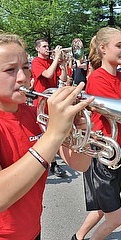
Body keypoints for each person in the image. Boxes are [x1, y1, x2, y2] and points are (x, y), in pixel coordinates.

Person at [0, 32, 94, 239]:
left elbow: (81, 165)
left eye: (25, 68)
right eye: (10, 70)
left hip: (33, 231)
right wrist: (54, 133)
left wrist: (79, 132)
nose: (22, 77)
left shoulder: (36, 114)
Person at [72, 26, 121, 240]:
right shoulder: (97, 79)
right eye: (119, 46)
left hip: (119, 150)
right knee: (115, 219)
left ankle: (77, 238)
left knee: (101, 209)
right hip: (102, 152)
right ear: (103, 49)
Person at [31, 38, 68, 177]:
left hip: (52, 101)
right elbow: (47, 74)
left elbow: (63, 79)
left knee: (52, 133)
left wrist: (63, 65)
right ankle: (50, 163)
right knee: (44, 134)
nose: (48, 48)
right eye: (44, 46)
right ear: (37, 49)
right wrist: (56, 59)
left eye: (48, 46)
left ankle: (52, 163)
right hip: (41, 103)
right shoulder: (36, 62)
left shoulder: (52, 62)